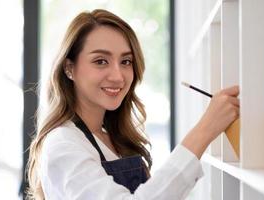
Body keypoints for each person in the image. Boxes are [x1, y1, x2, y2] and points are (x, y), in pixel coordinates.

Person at [26, 9, 240, 200]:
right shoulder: (63, 145)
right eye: (101, 61)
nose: (118, 76)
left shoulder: (111, 137)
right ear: (69, 68)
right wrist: (205, 130)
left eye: (126, 61)